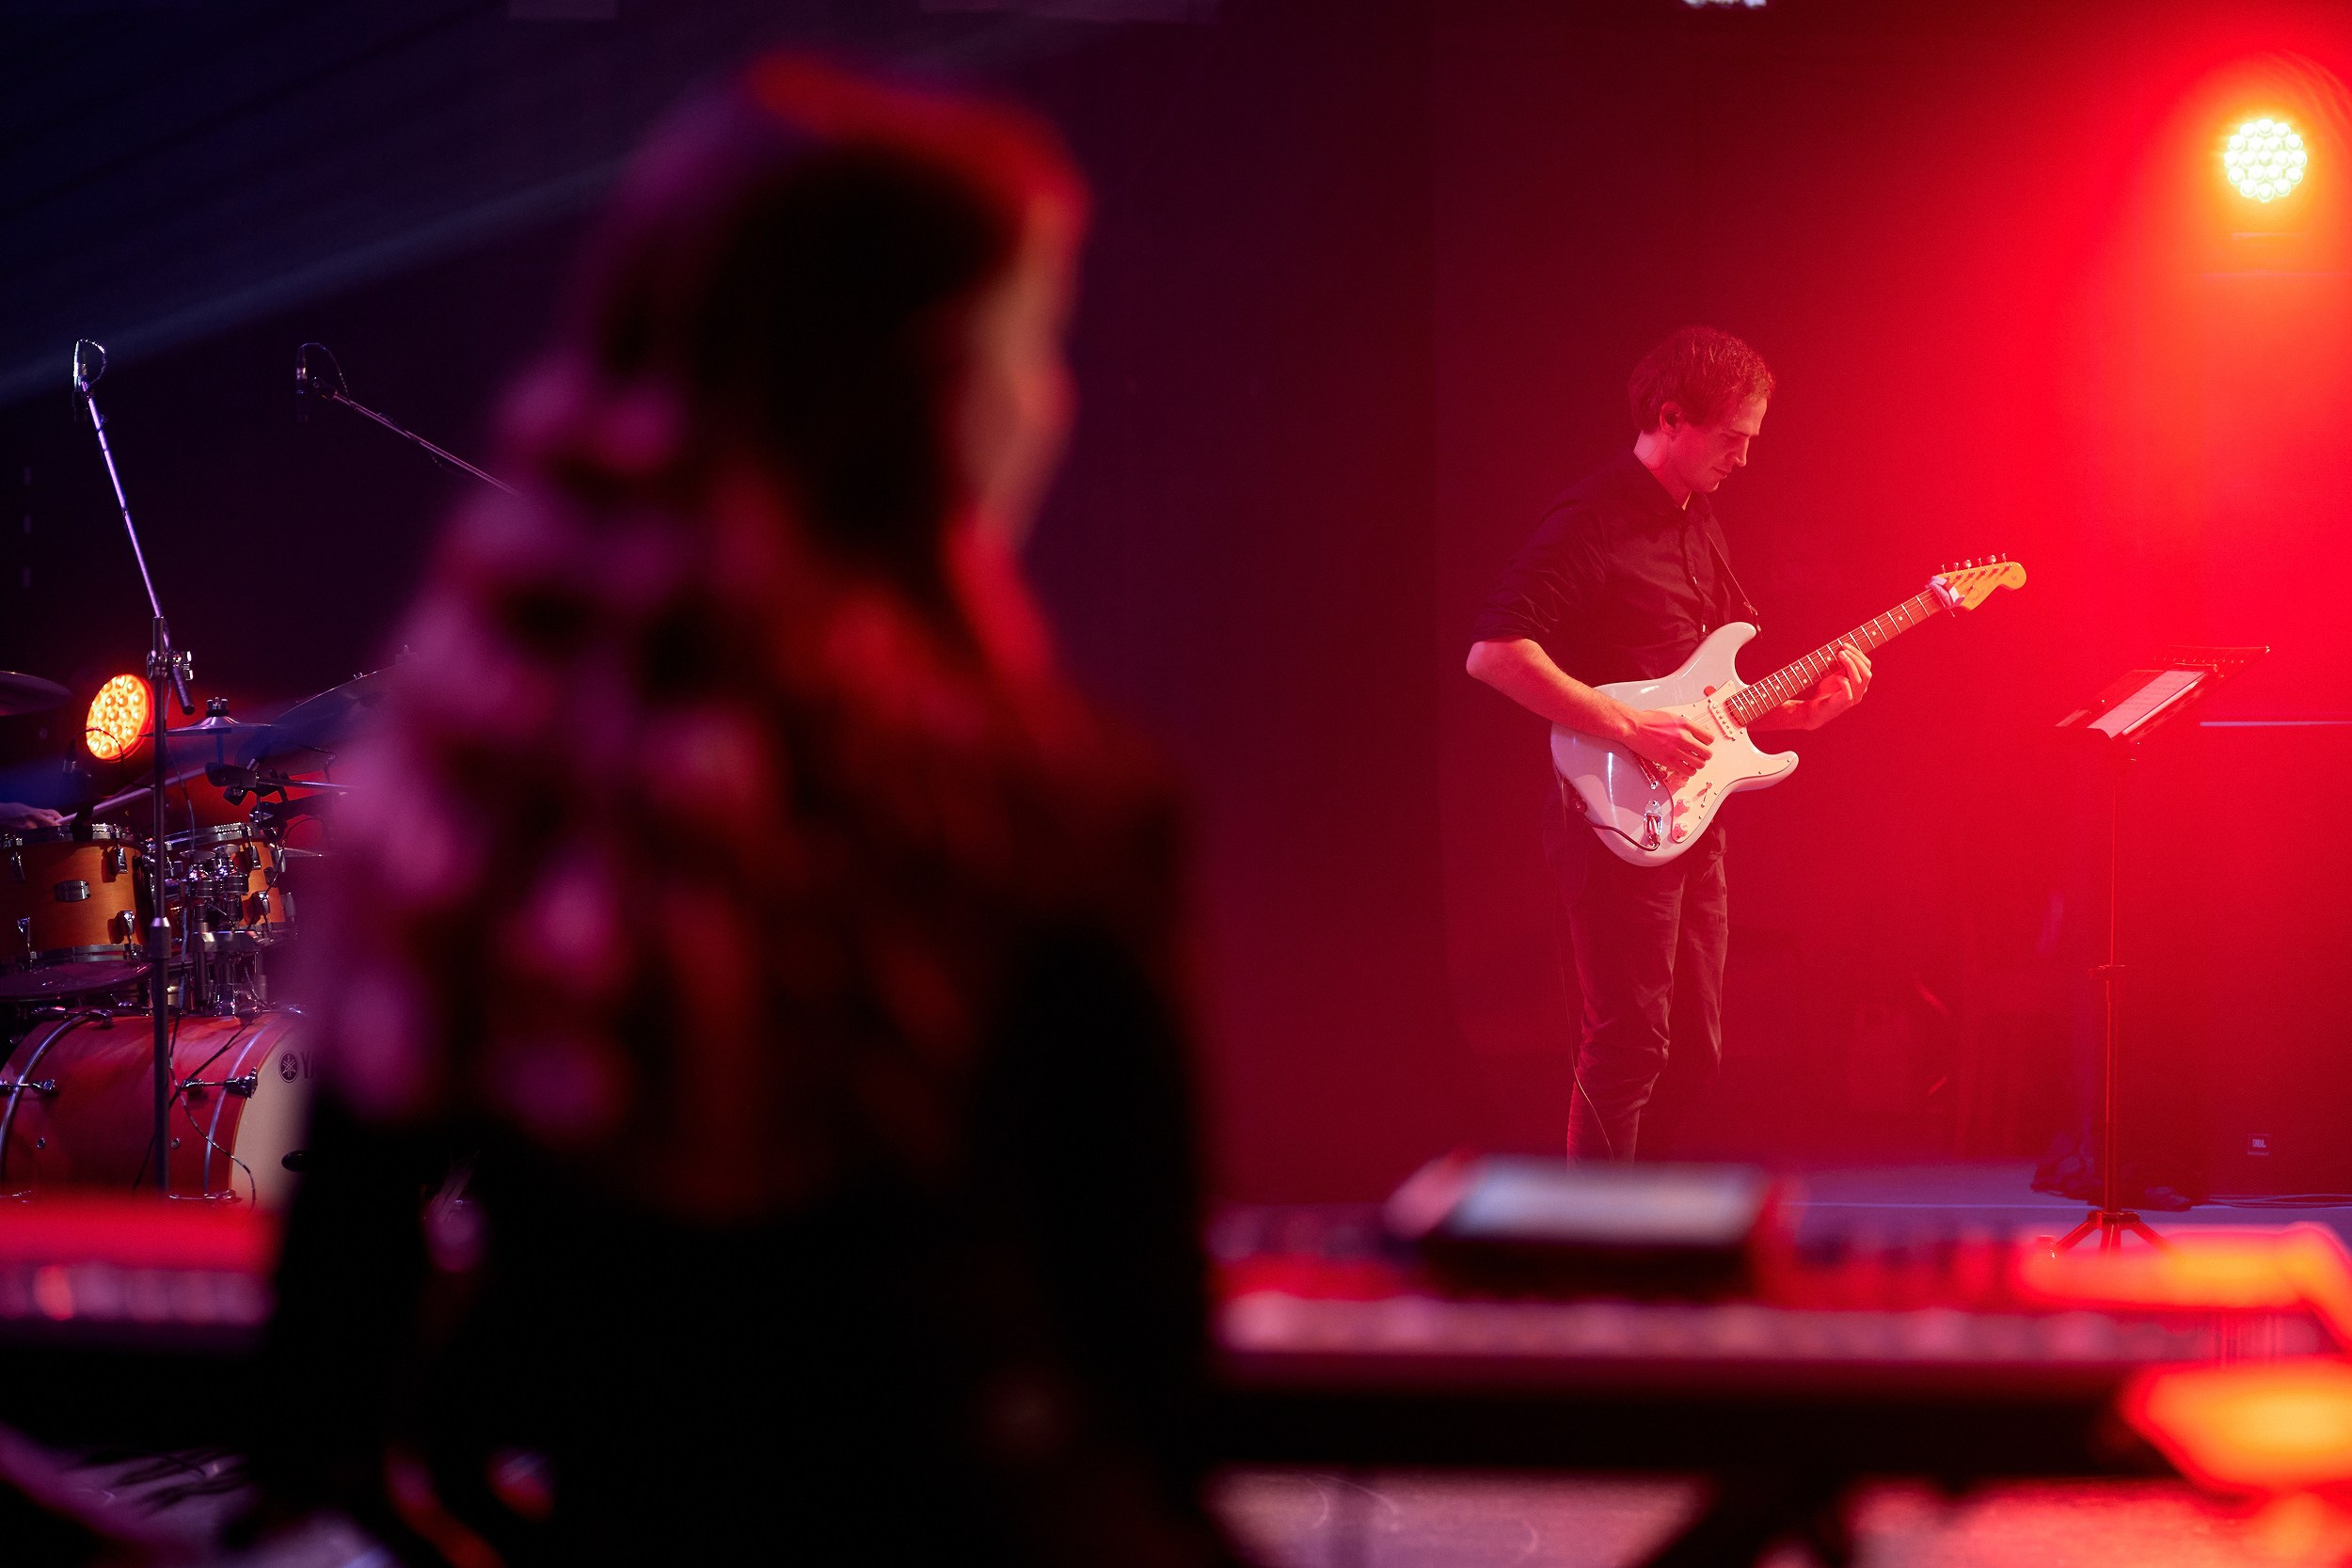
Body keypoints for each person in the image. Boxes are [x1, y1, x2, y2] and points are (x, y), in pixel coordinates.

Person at [246, 58, 1237, 1567]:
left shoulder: (476, 809)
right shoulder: (1058, 813)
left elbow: (328, 1375)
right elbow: (1149, 1380)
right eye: (1032, 341)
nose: (1056, 402)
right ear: (921, 398)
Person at [1465, 327, 1871, 1161]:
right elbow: (1495, 653)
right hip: (1610, 811)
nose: (1744, 459)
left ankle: (1642, 1223)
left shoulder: (1702, 525)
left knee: (1695, 1051)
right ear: (1672, 418)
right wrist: (1625, 722)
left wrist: (1803, 713)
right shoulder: (1592, 522)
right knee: (1628, 1047)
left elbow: (1717, 699)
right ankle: (1597, 1251)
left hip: (1691, 815)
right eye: (1732, 438)